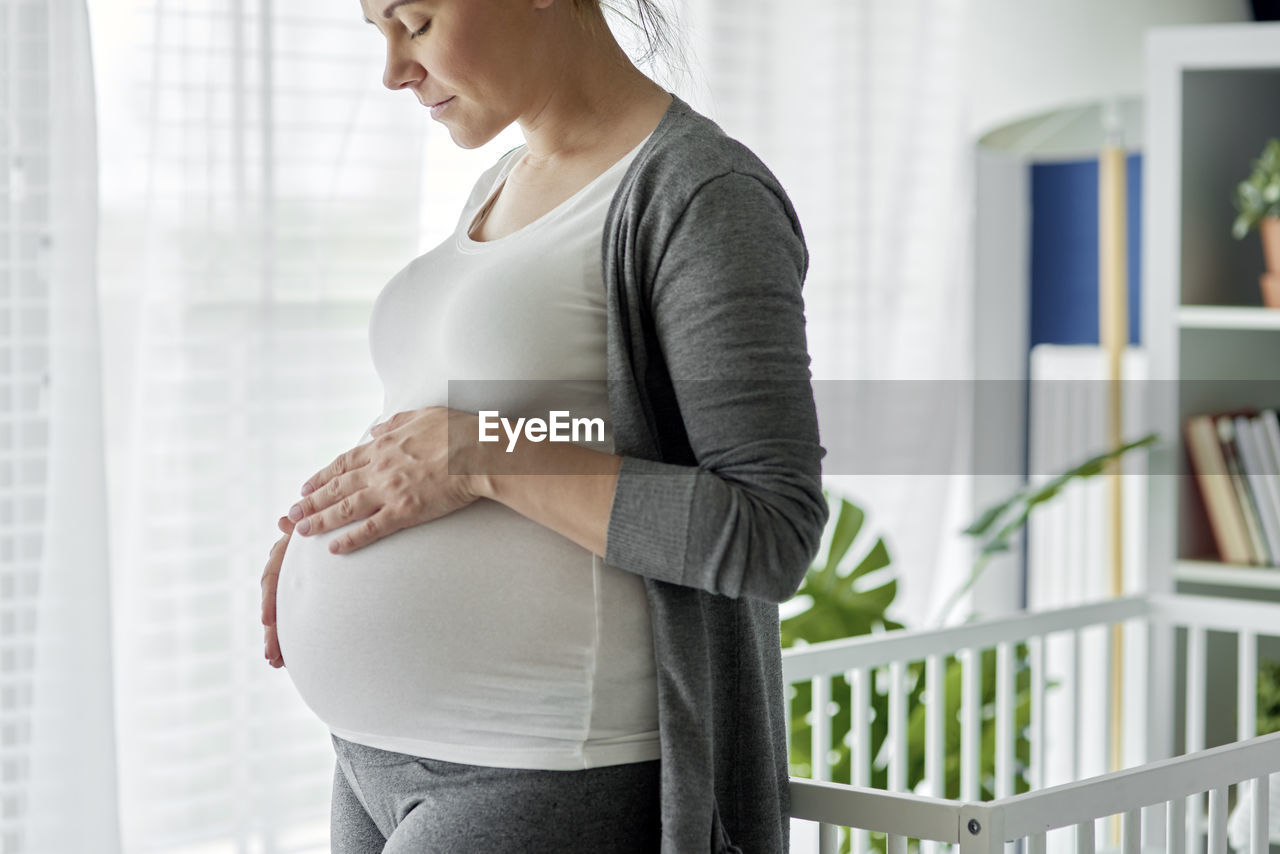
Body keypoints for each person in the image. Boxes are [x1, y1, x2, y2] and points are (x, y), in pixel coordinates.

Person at [257, 0, 829, 851]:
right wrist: (346, 513)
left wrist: (474, 457)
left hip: (542, 765)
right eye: (375, 30)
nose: (392, 70)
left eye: (413, 22)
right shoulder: (502, 181)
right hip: (375, 760)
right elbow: (566, 425)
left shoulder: (702, 196)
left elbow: (767, 530)